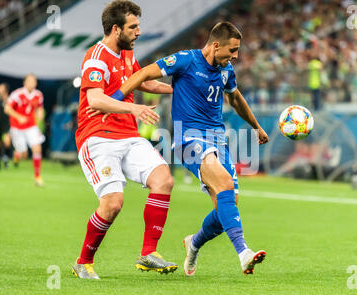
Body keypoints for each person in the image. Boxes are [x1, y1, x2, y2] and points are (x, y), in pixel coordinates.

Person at [104, 21, 270, 275]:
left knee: (227, 205)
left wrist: (256, 126)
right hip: (188, 140)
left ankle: (194, 243)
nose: (236, 56)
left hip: (217, 140)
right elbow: (142, 74)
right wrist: (113, 100)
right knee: (224, 184)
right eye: (232, 50)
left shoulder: (226, 71)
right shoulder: (185, 60)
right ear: (216, 45)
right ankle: (243, 252)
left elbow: (235, 98)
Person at [72, 0, 177, 280]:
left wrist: (180, 89)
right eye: (133, 27)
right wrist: (134, 108)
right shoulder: (96, 56)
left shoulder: (128, 53)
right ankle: (83, 262)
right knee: (113, 203)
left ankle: (149, 253)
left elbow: (143, 82)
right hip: (97, 137)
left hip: (128, 135)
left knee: (164, 180)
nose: (138, 32)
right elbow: (94, 98)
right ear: (116, 28)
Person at [4, 74, 45, 186]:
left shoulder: (38, 95)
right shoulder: (17, 94)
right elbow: (7, 108)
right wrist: (19, 117)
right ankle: (17, 155)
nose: (32, 83)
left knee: (37, 149)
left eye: (34, 81)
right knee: (24, 155)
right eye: (30, 81)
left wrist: (40, 116)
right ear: (25, 82)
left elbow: (39, 109)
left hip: (31, 126)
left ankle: (37, 176)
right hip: (17, 127)